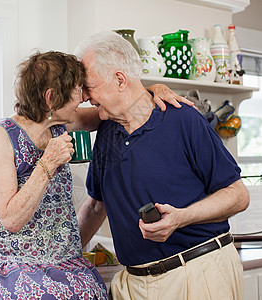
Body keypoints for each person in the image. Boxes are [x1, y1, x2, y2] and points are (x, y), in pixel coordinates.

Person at [0, 50, 190, 299]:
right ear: (51, 98)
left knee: (93, 292)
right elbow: (11, 219)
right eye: (78, 90)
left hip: (54, 261)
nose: (84, 97)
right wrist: (48, 162)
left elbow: (112, 109)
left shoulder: (60, 124)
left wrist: (151, 90)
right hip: (0, 261)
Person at [74, 32, 250, 300]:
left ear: (120, 79)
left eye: (89, 86)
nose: (85, 96)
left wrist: (182, 217)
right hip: (133, 283)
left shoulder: (183, 119)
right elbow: (97, 206)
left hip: (198, 274)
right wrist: (61, 258)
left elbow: (238, 196)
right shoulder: (108, 131)